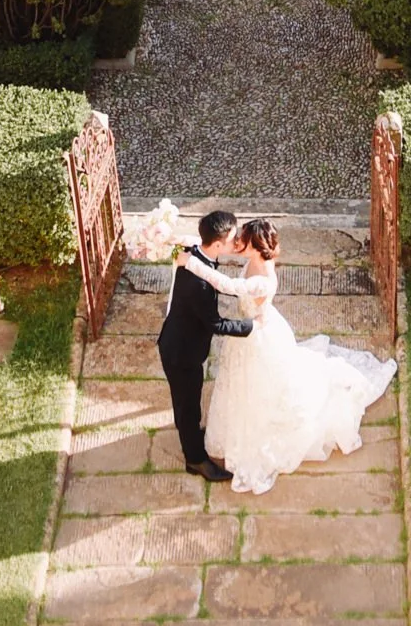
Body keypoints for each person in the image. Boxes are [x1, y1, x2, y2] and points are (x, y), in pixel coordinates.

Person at [185, 217, 396, 495]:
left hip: (259, 337)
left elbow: (227, 285)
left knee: (263, 389)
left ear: (256, 246)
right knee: (241, 388)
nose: (237, 242)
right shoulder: (254, 261)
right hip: (249, 333)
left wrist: (189, 263)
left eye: (243, 238)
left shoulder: (263, 280)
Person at [156, 208, 254, 481]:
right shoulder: (198, 284)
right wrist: (250, 327)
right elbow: (216, 324)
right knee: (187, 406)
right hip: (181, 353)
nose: (236, 242)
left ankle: (192, 436)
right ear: (219, 244)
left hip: (183, 345)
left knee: (189, 402)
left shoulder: (195, 251)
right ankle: (196, 460)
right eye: (233, 238)